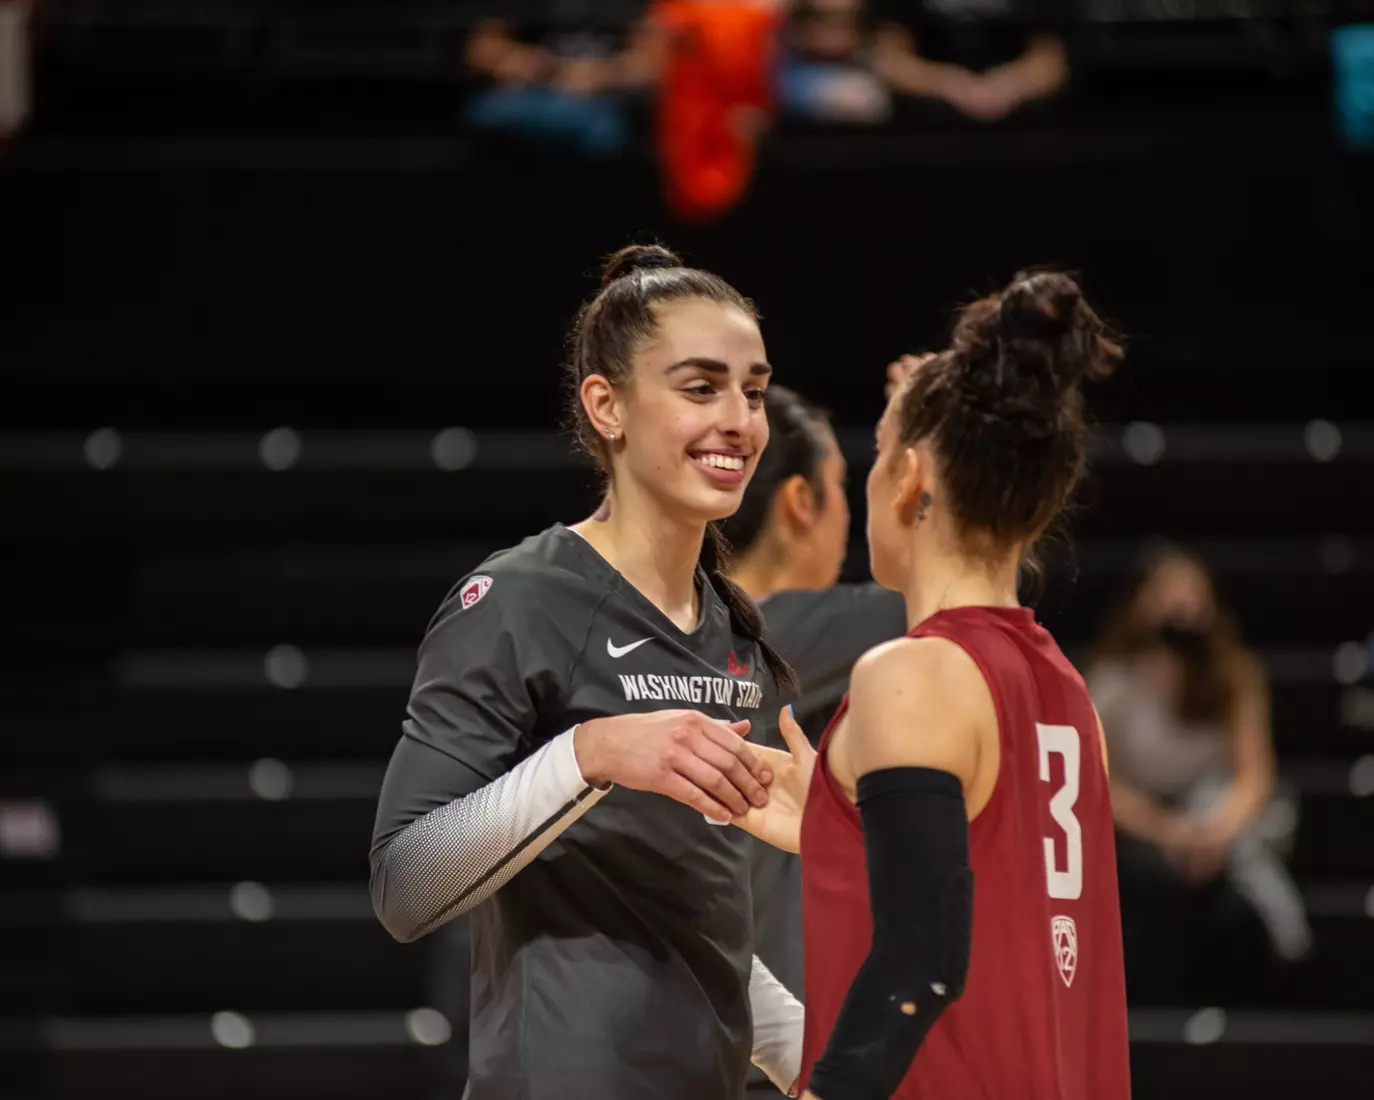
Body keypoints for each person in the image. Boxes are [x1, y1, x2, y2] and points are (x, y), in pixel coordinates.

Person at [369, 244, 805, 1099]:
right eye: (699, 387)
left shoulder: (736, 636)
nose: (739, 419)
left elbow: (691, 925)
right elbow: (404, 884)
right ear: (606, 406)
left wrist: (815, 1062)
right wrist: (590, 754)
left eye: (752, 392)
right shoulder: (519, 599)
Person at [739, 270, 1131, 1099]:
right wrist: (842, 828)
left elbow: (924, 956)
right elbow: (1003, 923)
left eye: (879, 454)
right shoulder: (1067, 691)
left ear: (911, 478)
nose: (873, 477)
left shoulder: (910, 674)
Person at [718, 384, 907, 1094]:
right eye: (844, 487)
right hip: (778, 1043)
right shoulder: (802, 626)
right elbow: (979, 581)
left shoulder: (653, 632)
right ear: (802, 501)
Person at [1088, 545, 1312, 1000]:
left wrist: (1213, 832)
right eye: (1166, 594)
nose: (1178, 607)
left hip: (1215, 824)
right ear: (1139, 604)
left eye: (1190, 595)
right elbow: (1101, 783)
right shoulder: (1110, 682)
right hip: (1143, 828)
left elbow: (1255, 778)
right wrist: (1168, 832)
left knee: (1233, 897)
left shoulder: (1235, 676)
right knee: (1147, 885)